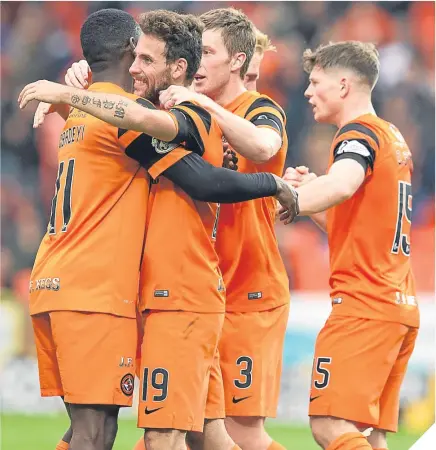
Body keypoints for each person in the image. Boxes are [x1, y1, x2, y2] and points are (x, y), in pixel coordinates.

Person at [20, 10, 299, 450]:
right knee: (199, 435)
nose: (136, 69)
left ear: (180, 68)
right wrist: (75, 90)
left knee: (160, 434)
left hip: (178, 296)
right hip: (140, 295)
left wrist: (274, 183)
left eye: (147, 60)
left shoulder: (189, 115)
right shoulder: (129, 114)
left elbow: (209, 174)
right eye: (135, 58)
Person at [158, 9, 290, 450]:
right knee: (190, 426)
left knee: (241, 431)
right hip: (201, 291)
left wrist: (206, 105)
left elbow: (263, 145)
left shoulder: (260, 108)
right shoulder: (189, 114)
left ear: (236, 61)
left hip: (250, 290)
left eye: (208, 52)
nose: (197, 63)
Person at [280, 41, 419, 450]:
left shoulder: (357, 134)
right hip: (397, 305)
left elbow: (342, 183)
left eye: (315, 81)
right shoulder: (391, 136)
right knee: (370, 435)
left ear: (343, 85)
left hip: (363, 307)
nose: (307, 91)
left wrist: (283, 198)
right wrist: (310, 201)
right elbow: (359, 224)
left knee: (328, 425)